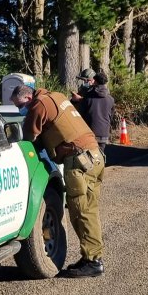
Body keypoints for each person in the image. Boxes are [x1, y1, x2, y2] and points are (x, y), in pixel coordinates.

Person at [11, 84, 105, 278]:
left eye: (20, 105)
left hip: (79, 161)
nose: (21, 110)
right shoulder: (57, 96)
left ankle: (93, 262)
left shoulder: (39, 105)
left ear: (28, 98)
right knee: (89, 211)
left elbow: (28, 137)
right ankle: (90, 257)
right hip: (94, 156)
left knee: (81, 213)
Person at [78, 72, 115, 154]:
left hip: (90, 131)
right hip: (104, 131)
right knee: (100, 155)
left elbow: (80, 113)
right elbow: (111, 116)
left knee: (90, 156)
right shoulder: (111, 99)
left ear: (95, 81)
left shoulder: (88, 97)